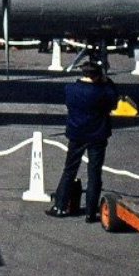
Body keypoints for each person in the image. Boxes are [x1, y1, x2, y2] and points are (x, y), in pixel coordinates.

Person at [45, 60, 119, 222]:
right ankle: (91, 212)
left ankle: (60, 205)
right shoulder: (102, 92)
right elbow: (114, 103)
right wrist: (108, 83)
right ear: (97, 76)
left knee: (69, 170)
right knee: (94, 173)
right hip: (97, 135)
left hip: (77, 133)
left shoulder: (70, 89)